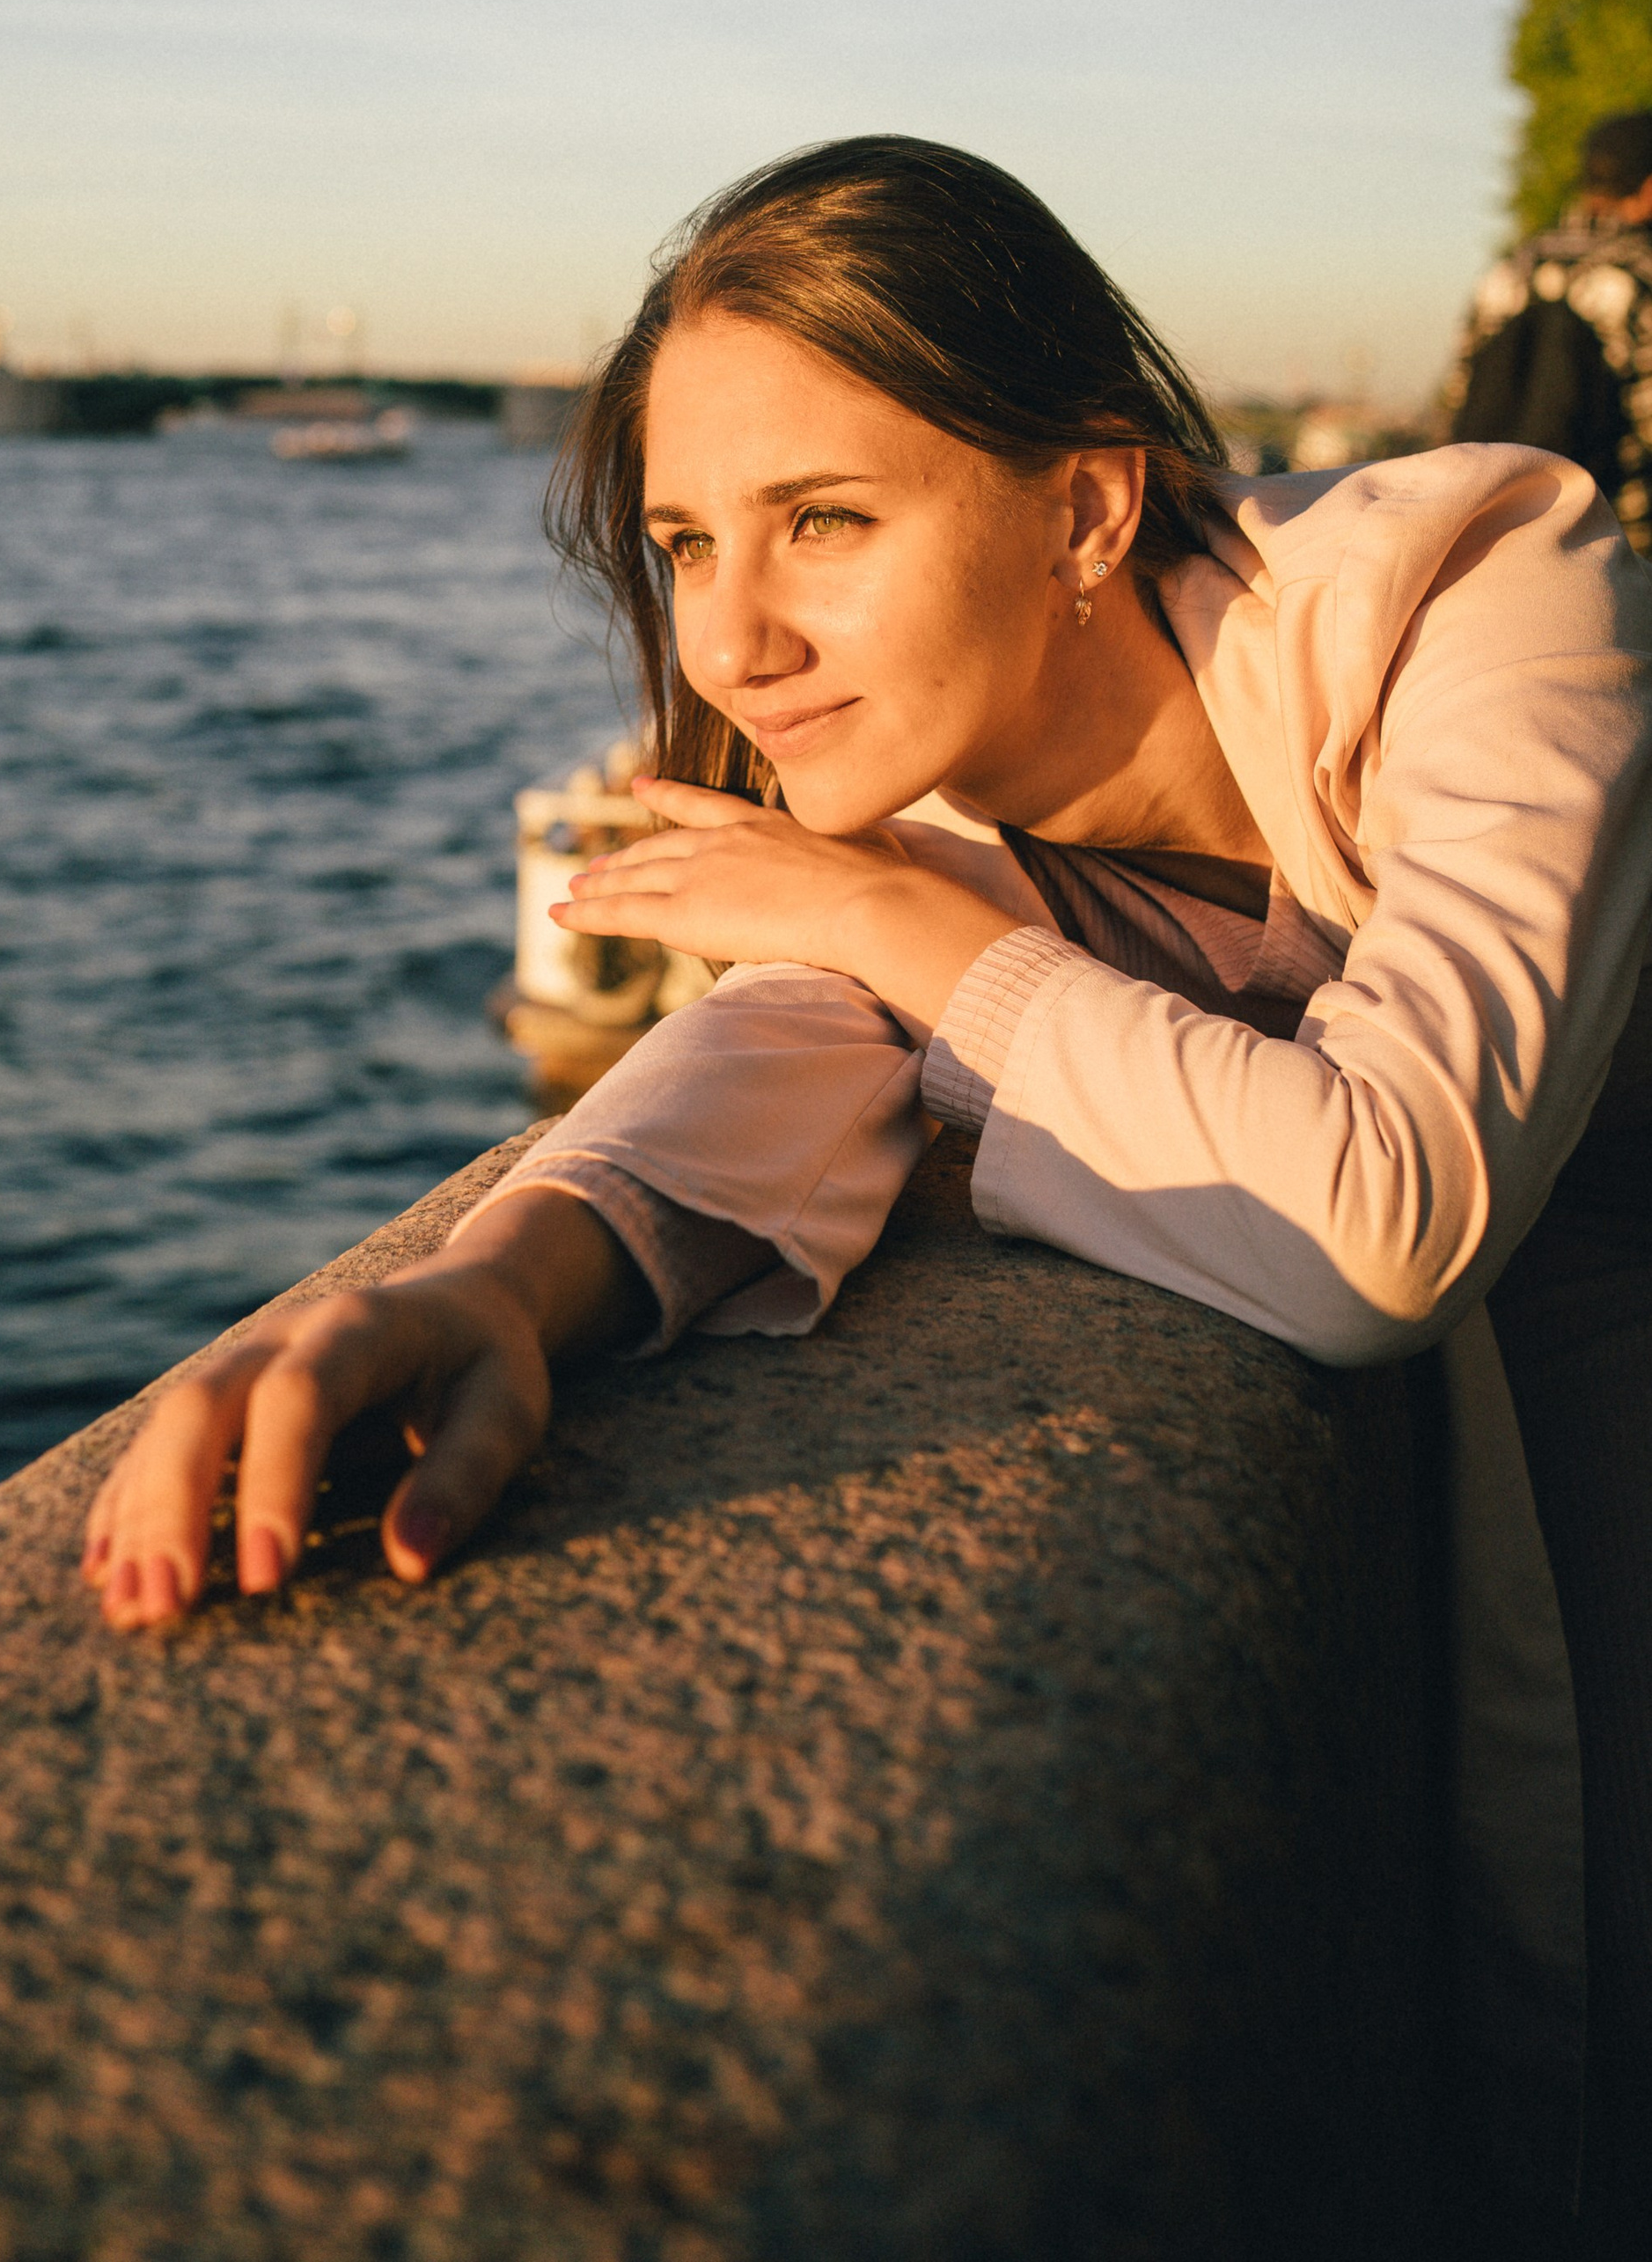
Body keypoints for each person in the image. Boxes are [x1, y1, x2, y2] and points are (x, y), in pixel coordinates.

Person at [84, 136, 1652, 2250]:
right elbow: (770, 1050)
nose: (728, 633)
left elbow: (1383, 1213)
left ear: (1084, 503)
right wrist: (493, 1284)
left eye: (821, 520)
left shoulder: (1489, 598)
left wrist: (876, 918)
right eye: (678, 538)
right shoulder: (925, 814)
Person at [1446, 107, 1652, 554]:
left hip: (1486, 536)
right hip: (1610, 548)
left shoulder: (1512, 269)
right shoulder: (1641, 274)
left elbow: (1457, 396)